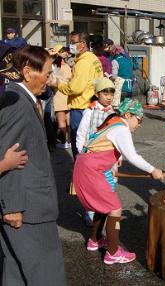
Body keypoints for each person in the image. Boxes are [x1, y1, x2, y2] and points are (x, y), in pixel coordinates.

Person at [0, 45, 66, 285]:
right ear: (28, 73)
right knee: (45, 274)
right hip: (28, 209)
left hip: (29, 205)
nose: (50, 80)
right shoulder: (17, 102)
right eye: (47, 73)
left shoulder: (23, 97)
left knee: (17, 271)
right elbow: (10, 156)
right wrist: (12, 207)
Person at [73, 98, 163, 264]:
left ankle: (95, 240)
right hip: (92, 171)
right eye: (139, 119)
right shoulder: (121, 128)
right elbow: (132, 156)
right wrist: (153, 170)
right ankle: (113, 253)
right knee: (115, 208)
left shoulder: (112, 123)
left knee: (103, 206)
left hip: (86, 167)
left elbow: (106, 149)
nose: (139, 124)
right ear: (128, 115)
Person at [52, 31, 103, 158]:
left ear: (83, 44)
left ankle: (80, 172)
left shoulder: (83, 62)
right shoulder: (93, 58)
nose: (71, 46)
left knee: (79, 144)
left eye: (73, 42)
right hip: (91, 103)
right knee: (89, 143)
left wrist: (57, 83)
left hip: (81, 106)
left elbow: (75, 88)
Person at [76, 77, 116, 226]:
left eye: (111, 94)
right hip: (92, 156)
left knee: (109, 183)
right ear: (97, 94)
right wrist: (81, 153)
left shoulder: (114, 112)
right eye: (105, 93)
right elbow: (81, 132)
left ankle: (104, 210)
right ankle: (91, 213)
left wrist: (119, 155)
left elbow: (117, 135)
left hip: (109, 157)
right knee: (93, 186)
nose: (109, 97)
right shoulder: (90, 111)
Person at [52, 45, 72, 149]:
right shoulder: (67, 65)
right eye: (62, 51)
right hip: (67, 93)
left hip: (58, 94)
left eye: (65, 51)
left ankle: (65, 141)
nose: (65, 53)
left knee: (61, 120)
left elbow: (52, 81)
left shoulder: (55, 65)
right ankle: (70, 140)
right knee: (68, 119)